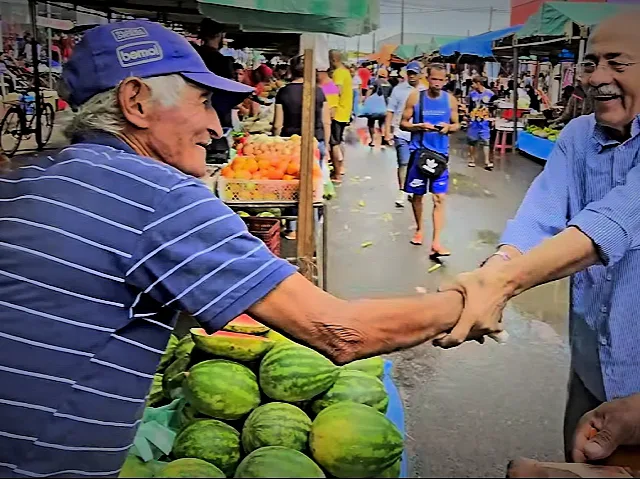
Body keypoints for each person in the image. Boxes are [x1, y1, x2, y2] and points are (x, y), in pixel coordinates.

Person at [0, 21, 471, 476]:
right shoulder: (160, 196)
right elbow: (341, 333)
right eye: (204, 102)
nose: (215, 127)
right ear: (136, 102)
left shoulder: (25, 180)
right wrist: (470, 299)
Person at [436, 11, 640, 463]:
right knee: (577, 461)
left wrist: (502, 285)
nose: (597, 77)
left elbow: (614, 221)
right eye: (592, 63)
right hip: (591, 367)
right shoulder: (577, 135)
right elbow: (539, 218)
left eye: (618, 63)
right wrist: (493, 269)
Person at [400, 63, 460, 253]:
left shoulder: (450, 100)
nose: (437, 83)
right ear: (427, 77)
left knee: (439, 198)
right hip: (419, 153)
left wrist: (448, 127)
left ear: (446, 80)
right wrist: (418, 126)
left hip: (440, 155)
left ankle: (436, 242)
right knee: (417, 196)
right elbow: (403, 123)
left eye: (441, 80)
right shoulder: (416, 97)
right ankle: (419, 229)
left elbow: (457, 124)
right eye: (434, 79)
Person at [273, 55, 330, 166]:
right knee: (315, 177)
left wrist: (277, 141)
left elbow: (277, 125)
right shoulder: (320, 90)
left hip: (290, 141)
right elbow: (326, 122)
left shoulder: (283, 92)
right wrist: (326, 146)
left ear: (291, 70)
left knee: (292, 176)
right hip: (316, 139)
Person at [385, 61, 422, 207]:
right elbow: (390, 111)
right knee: (404, 162)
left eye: (415, 73)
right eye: (410, 73)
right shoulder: (398, 90)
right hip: (401, 133)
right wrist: (387, 131)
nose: (412, 76)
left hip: (419, 133)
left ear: (420, 74)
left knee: (416, 164)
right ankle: (402, 190)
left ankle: (413, 189)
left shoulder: (425, 91)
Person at [329, 50, 353, 181]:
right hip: (344, 111)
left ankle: (337, 171)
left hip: (338, 112)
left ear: (333, 59)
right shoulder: (346, 72)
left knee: (334, 143)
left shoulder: (338, 73)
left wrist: (325, 87)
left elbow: (337, 91)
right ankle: (341, 166)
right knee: (339, 141)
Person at [466, 75, 497, 170]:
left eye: (473, 83)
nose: (472, 85)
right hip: (474, 122)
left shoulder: (490, 94)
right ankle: (472, 159)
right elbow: (470, 107)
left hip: (485, 121)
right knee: (472, 142)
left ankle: (487, 161)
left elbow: (494, 108)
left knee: (486, 141)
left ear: (478, 83)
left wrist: (493, 119)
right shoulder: (472, 94)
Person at [365, 68, 393, 148]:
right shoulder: (389, 84)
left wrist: (366, 102)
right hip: (384, 107)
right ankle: (383, 139)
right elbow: (390, 96)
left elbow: (369, 91)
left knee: (371, 123)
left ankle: (373, 140)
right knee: (382, 124)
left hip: (374, 106)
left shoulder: (375, 82)